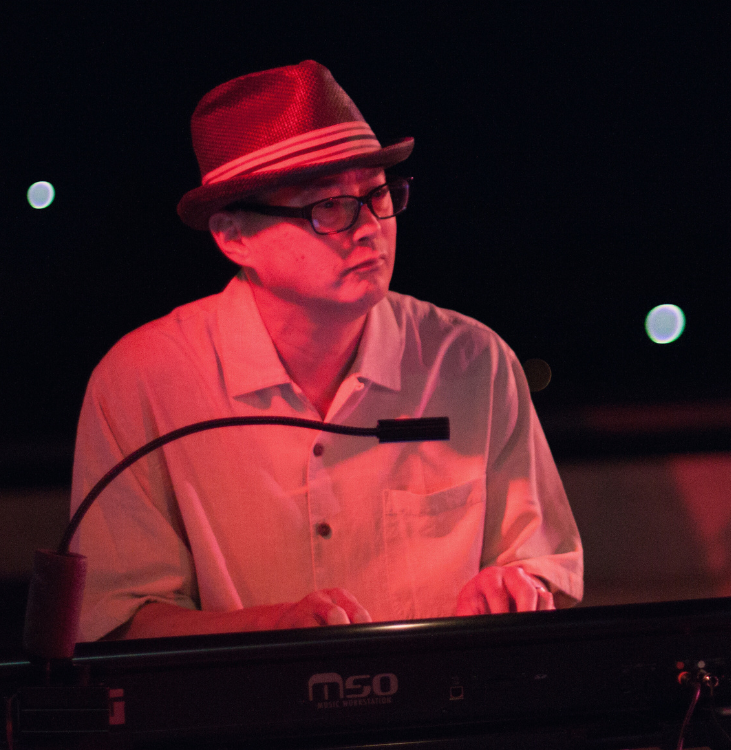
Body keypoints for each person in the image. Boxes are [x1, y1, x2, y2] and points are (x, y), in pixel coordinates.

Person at [71, 60, 583, 642]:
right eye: (328, 207)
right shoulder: (144, 378)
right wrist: (274, 631)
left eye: (378, 194)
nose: (370, 227)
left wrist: (512, 587)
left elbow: (543, 563)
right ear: (233, 235)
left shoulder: (471, 362)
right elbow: (119, 620)